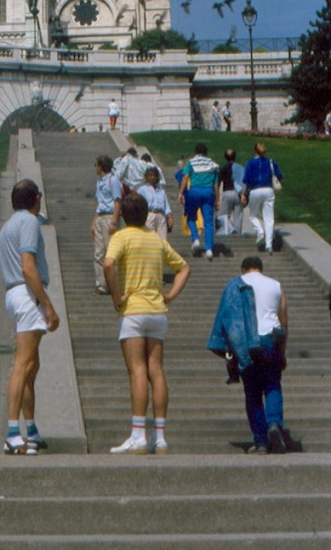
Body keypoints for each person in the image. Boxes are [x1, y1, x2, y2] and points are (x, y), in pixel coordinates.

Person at [104, 194, 190, 454]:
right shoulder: (155, 238)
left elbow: (108, 264)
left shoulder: (121, 237)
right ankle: (160, 436)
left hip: (133, 311)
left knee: (137, 371)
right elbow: (184, 268)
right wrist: (170, 295)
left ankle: (139, 434)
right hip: (157, 311)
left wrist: (116, 296)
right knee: (157, 370)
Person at [0, 179, 59, 454]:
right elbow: (28, 267)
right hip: (27, 294)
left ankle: (30, 429)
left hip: (14, 294)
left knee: (31, 365)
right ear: (35, 198)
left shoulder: (7, 227)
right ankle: (13, 432)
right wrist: (48, 305)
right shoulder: (30, 223)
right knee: (23, 363)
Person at [207, 256, 294, 454]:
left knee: (252, 393)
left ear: (243, 269)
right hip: (271, 340)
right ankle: (274, 424)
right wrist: (282, 351)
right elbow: (284, 321)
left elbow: (227, 318)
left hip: (246, 344)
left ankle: (261, 441)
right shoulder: (276, 285)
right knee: (272, 386)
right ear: (260, 269)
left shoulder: (235, 285)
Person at [178, 143, 220, 259]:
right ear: (207, 152)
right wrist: (217, 200)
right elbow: (216, 185)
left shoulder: (191, 162)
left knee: (190, 217)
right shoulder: (213, 165)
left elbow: (185, 177)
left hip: (194, 192)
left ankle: (195, 239)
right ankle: (209, 249)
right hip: (209, 192)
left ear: (196, 151)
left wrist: (181, 192)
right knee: (208, 222)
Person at [241, 142, 283, 254]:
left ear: (255, 151)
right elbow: (279, 176)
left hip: (255, 190)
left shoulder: (250, 163)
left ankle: (260, 232)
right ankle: (269, 244)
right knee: (269, 218)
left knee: (253, 215)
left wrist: (244, 194)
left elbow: (246, 180)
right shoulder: (271, 162)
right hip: (268, 190)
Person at [90, 155, 122, 295]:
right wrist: (94, 222)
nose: (95, 167)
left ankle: (113, 284)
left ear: (101, 167)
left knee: (111, 251)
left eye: (96, 165)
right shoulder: (99, 182)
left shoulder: (112, 180)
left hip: (110, 217)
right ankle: (101, 284)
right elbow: (99, 203)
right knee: (98, 252)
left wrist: (114, 221)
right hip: (100, 217)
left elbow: (117, 201)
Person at [137, 166, 174, 241]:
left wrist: (169, 216)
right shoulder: (142, 190)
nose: (152, 177)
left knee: (163, 240)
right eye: (150, 175)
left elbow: (166, 205)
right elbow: (139, 205)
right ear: (146, 177)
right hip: (149, 215)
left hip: (161, 216)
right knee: (149, 239)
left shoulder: (161, 190)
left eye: (154, 175)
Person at [217, 149, 245, 236]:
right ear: (235, 157)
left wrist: (217, 199)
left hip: (227, 192)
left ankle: (230, 229)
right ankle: (237, 234)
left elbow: (217, 184)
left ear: (225, 158)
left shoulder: (223, 168)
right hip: (238, 193)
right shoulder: (240, 167)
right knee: (238, 216)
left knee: (223, 215)